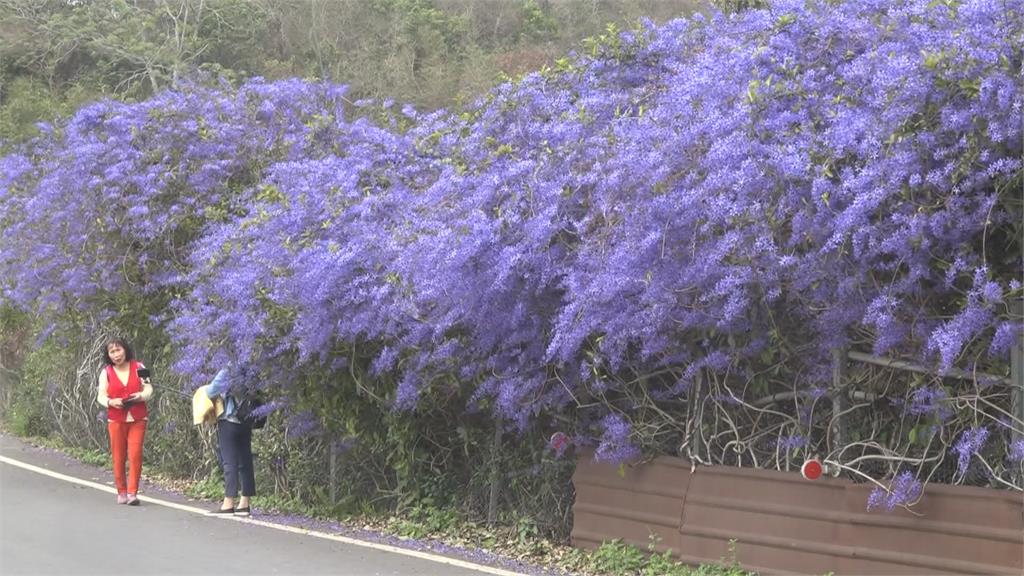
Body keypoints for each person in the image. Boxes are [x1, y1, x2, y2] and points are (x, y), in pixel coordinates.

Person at [96, 338, 152, 505]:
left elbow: (149, 388)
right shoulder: (106, 372)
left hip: (138, 417)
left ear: (125, 350)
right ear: (108, 355)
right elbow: (101, 395)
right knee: (118, 456)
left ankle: (132, 492)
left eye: (118, 350)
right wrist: (111, 402)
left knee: (135, 455)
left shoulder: (140, 367)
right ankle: (121, 491)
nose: (116, 355)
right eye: (112, 352)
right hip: (116, 419)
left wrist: (140, 396)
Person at [205, 366, 256, 517]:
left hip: (229, 420)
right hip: (246, 420)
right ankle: (244, 504)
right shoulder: (254, 369)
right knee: (245, 461)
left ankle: (228, 504)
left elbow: (211, 391)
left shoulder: (229, 368)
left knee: (229, 461)